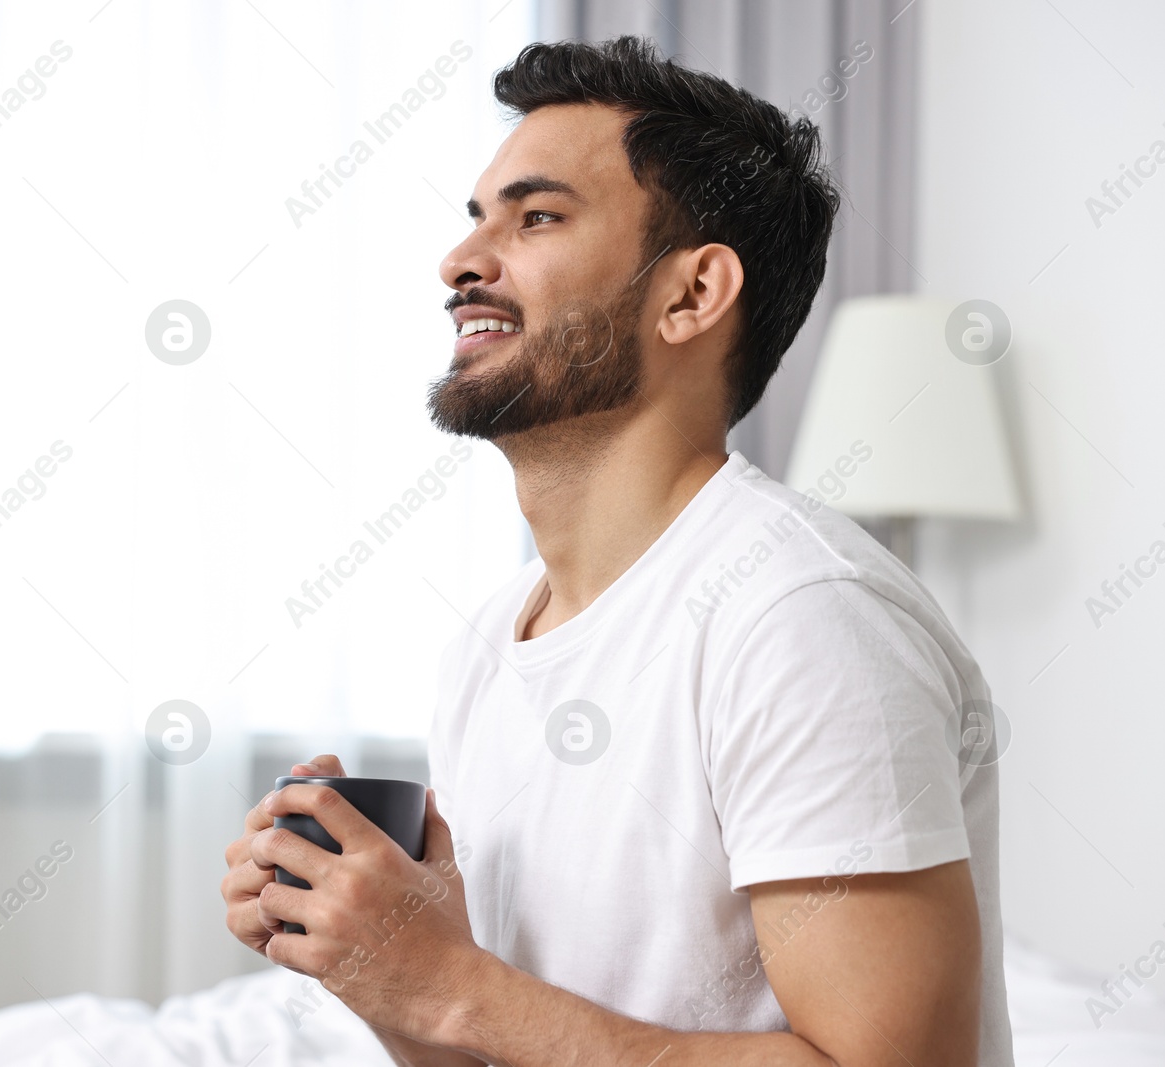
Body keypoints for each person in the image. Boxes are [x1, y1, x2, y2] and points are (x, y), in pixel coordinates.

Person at [222, 36, 1011, 1067]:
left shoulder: (802, 615)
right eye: (477, 219)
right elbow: (508, 1042)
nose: (461, 262)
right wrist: (381, 965)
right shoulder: (487, 647)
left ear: (691, 294)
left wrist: (453, 986)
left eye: (536, 216)